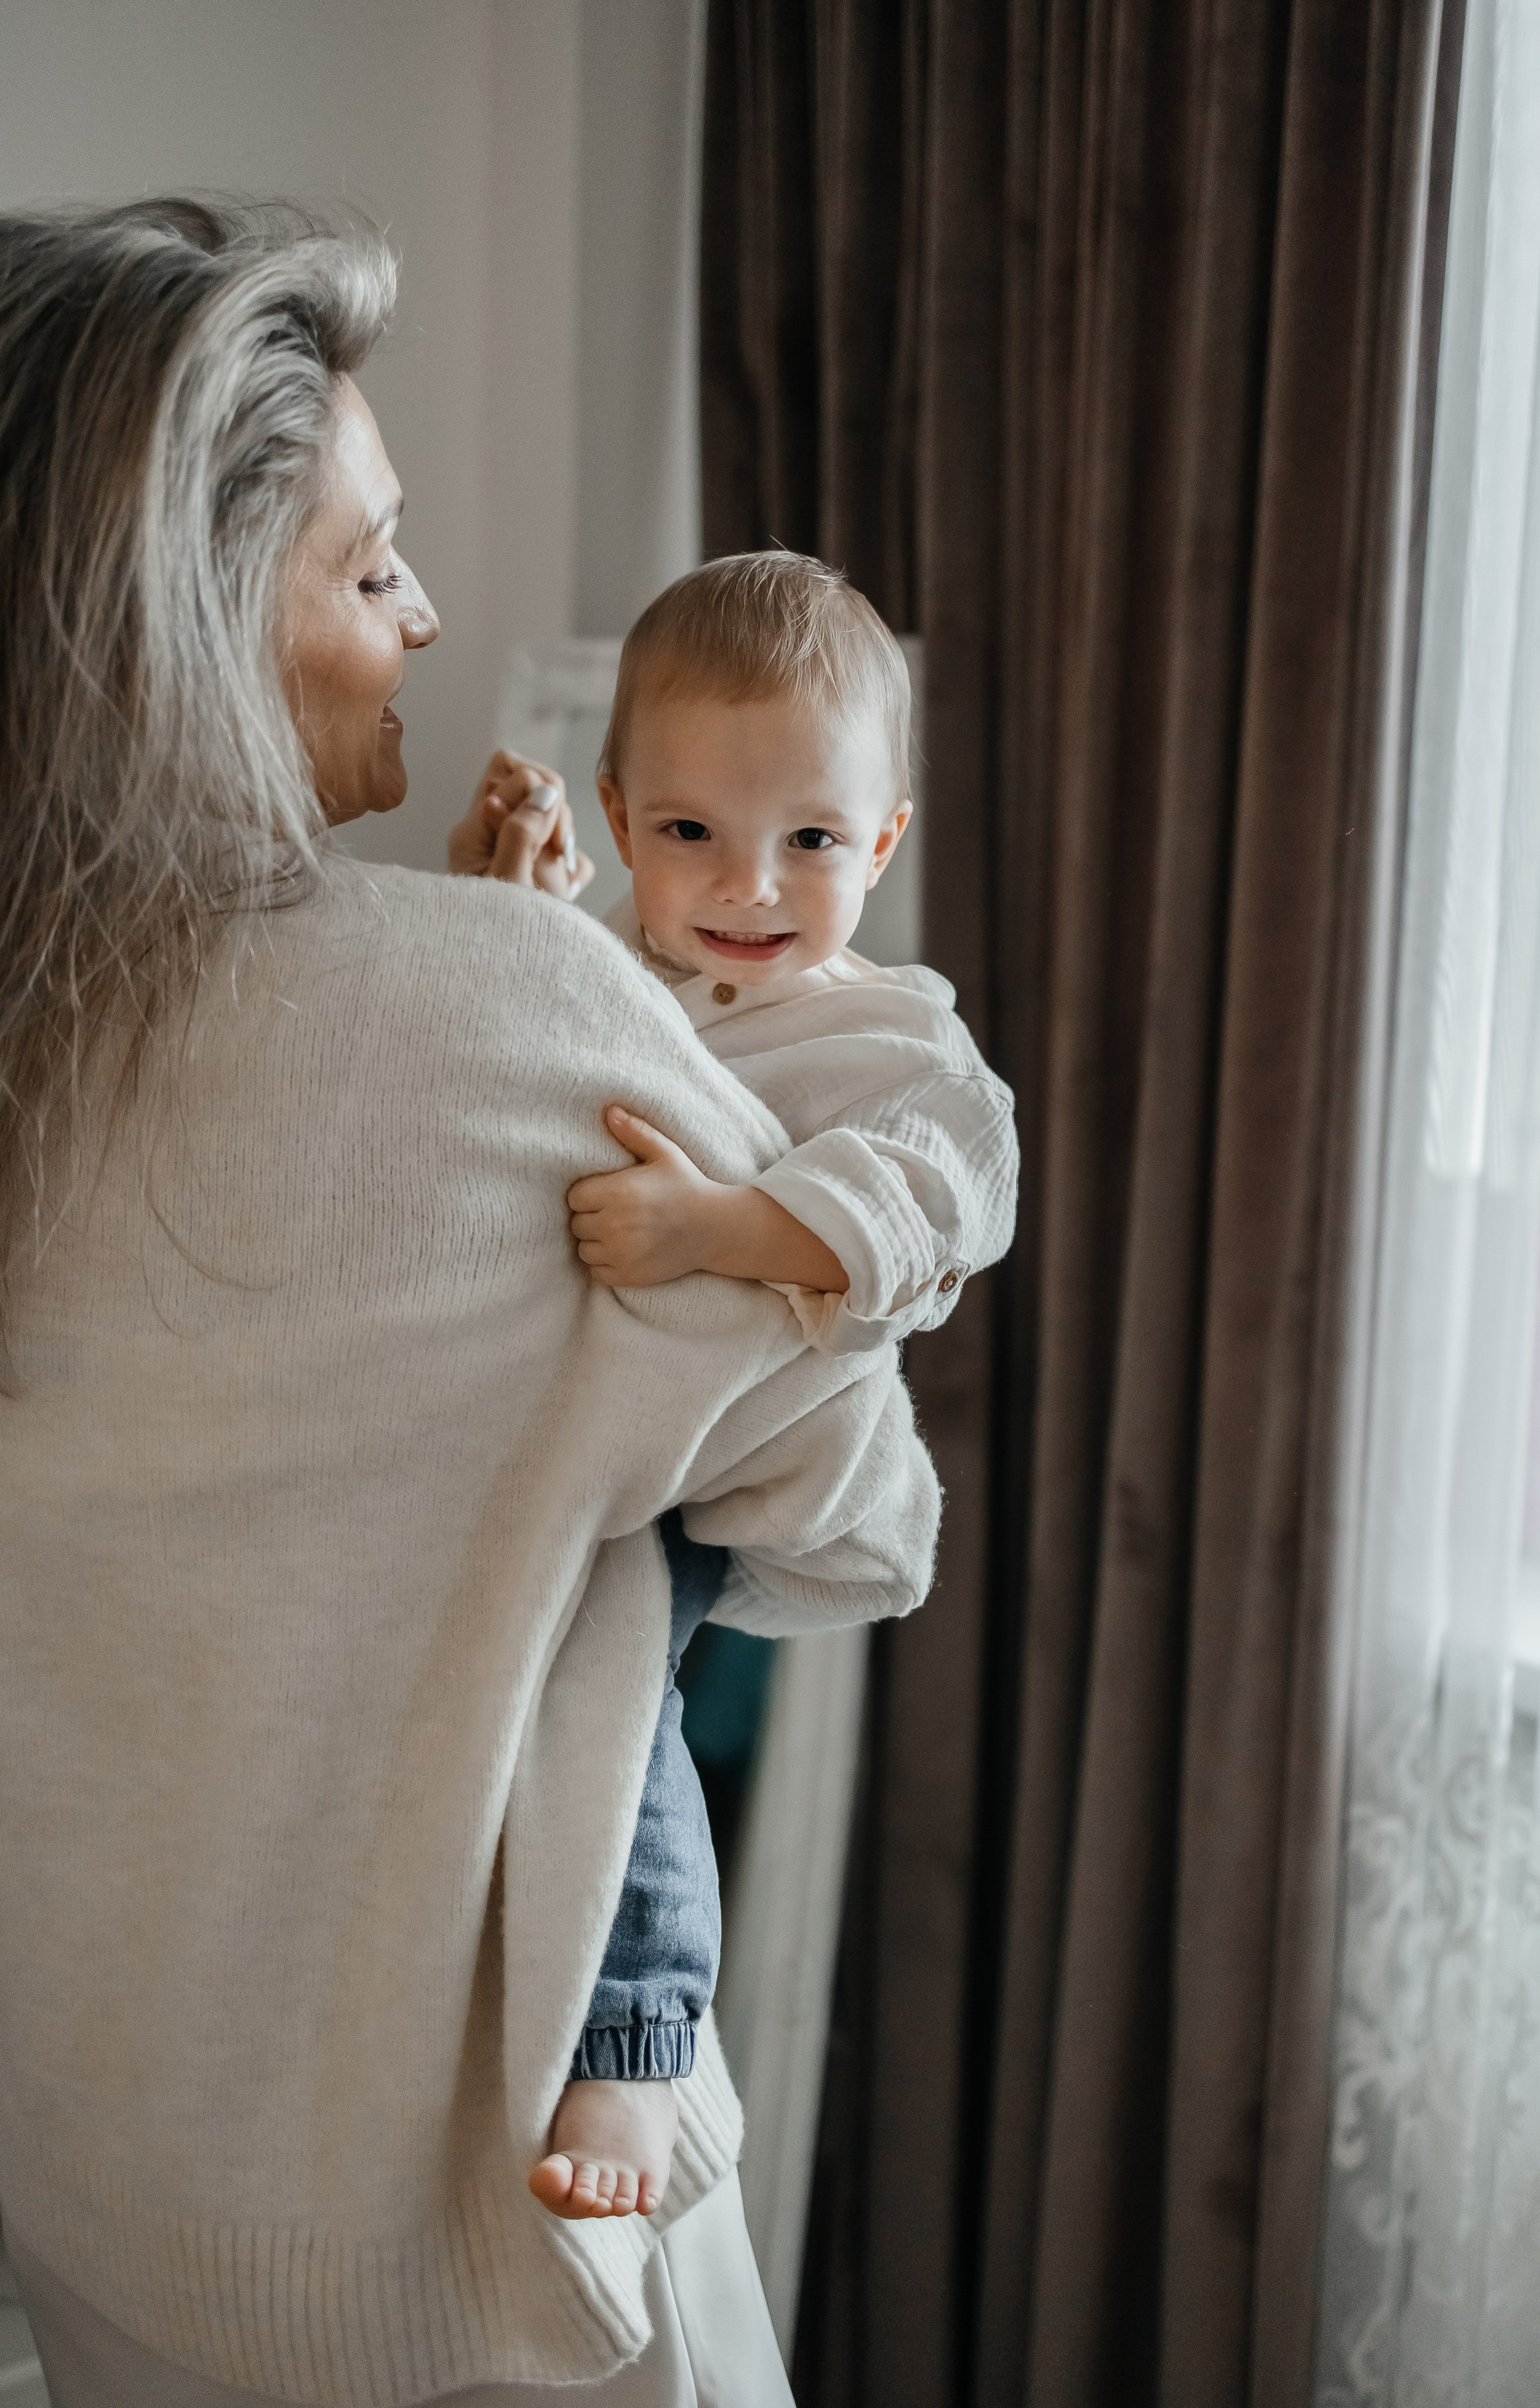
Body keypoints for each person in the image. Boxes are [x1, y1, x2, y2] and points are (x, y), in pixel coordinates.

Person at [0, 199, 939, 2407]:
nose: (426, 612)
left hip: (113, 2235)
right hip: (514, 2276)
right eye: (368, 562)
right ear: (201, 610)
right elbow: (859, 1526)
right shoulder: (513, 1008)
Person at [448, 553, 1018, 2219]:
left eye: (814, 843)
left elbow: (931, 1215)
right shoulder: (610, 952)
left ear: (884, 842)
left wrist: (719, 1225)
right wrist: (506, 898)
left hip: (709, 1455)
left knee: (610, 1703)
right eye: (692, 832)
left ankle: (632, 2044)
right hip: (540, 1428)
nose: (750, 888)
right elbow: (502, 1046)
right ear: (624, 814)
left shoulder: (897, 1044)